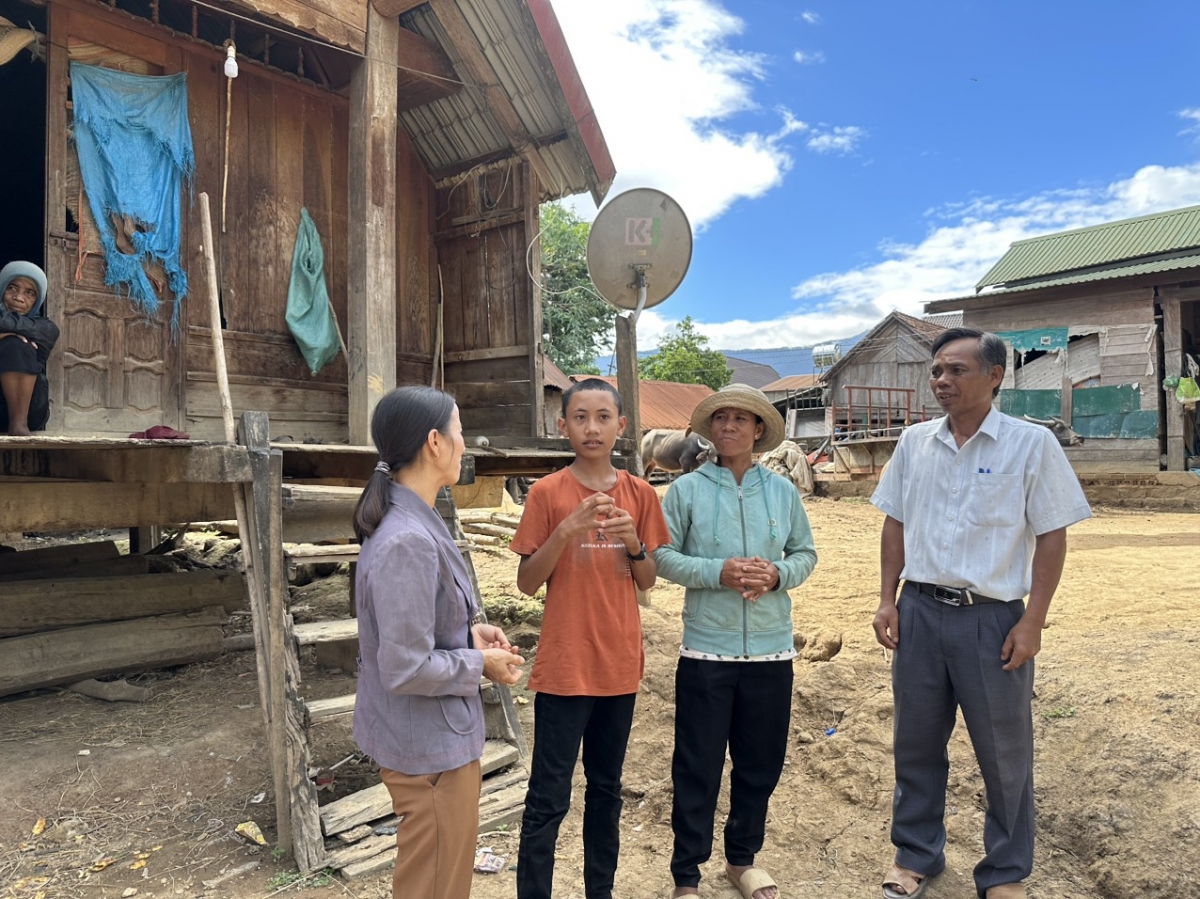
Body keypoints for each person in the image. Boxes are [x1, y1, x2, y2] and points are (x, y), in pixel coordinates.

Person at [870, 328, 1092, 899]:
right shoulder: (914, 443)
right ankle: (915, 855)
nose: (941, 381)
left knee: (1004, 751)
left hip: (992, 620)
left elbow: (1052, 535)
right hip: (918, 612)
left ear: (995, 376)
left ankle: (1005, 872)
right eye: (936, 371)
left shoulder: (1030, 445)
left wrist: (1033, 620)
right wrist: (887, 598)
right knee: (916, 743)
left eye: (956, 370)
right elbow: (895, 523)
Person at [351, 385, 525, 899]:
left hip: (430, 743)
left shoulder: (414, 520)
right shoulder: (407, 538)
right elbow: (405, 666)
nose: (465, 444)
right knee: (435, 887)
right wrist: (480, 664)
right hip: (429, 753)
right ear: (434, 442)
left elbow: (412, 626)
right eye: (460, 431)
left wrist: (469, 635)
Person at [655, 384, 818, 899]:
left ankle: (741, 861)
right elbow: (661, 556)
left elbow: (805, 554)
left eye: (740, 419)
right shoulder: (686, 490)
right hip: (706, 650)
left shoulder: (783, 492)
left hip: (771, 650)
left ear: (759, 430)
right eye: (721, 418)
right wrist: (717, 572)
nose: (728, 426)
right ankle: (686, 875)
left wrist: (779, 574)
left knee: (759, 763)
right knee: (697, 765)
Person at [511, 378, 671, 899]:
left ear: (621, 426)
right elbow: (527, 582)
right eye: (580, 417)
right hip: (564, 666)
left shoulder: (640, 494)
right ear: (563, 427)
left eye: (603, 417)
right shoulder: (546, 493)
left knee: (606, 791)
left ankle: (599, 891)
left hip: (618, 666)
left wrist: (633, 543)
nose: (592, 428)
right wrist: (565, 531)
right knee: (548, 797)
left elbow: (646, 581)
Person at [0, 262, 59, 436]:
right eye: (12, 288)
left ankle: (18, 426)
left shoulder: (45, 327)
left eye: (30, 293)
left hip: (31, 412)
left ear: (37, 301)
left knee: (15, 344)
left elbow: (50, 332)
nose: (19, 298)